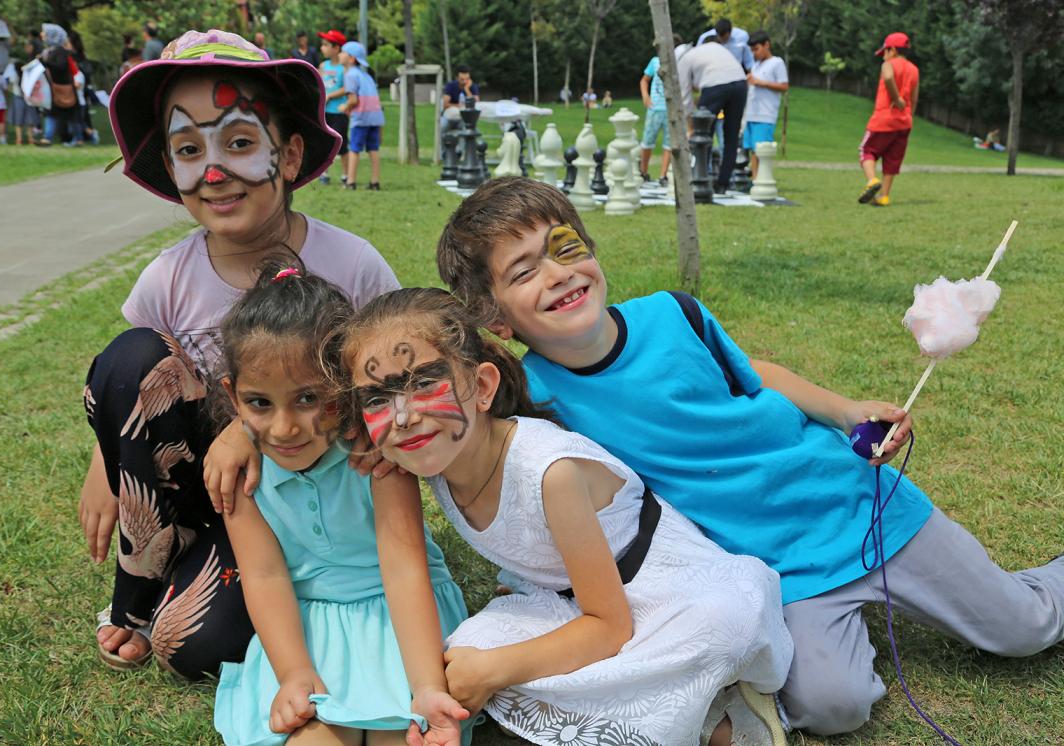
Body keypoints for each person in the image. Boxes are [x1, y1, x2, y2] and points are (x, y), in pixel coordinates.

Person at [436, 176, 1064, 738]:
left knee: (1025, 629)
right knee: (832, 706)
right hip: (771, 567)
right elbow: (510, 467)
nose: (557, 274)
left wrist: (843, 409)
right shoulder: (535, 397)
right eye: (523, 271)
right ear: (495, 315)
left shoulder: (675, 314)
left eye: (565, 247)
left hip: (857, 506)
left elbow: (752, 376)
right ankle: (850, 624)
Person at [79, 29, 400, 679]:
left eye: (241, 142)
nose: (216, 171)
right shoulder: (168, 277)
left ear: (289, 154)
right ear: (171, 170)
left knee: (197, 646)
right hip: (214, 499)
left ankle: (283, 581)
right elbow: (128, 388)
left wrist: (249, 435)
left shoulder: (353, 265)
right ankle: (139, 593)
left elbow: (391, 385)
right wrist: (105, 466)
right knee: (129, 352)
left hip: (310, 498)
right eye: (190, 149)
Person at [341, 286, 792, 746]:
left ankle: (721, 720)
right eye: (377, 399)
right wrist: (430, 691)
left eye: (423, 384)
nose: (401, 416)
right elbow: (403, 572)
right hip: (564, 598)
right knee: (464, 656)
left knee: (711, 629)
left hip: (662, 595)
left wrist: (499, 669)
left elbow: (610, 626)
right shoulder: (423, 451)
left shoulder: (548, 472)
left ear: (480, 387)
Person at [212, 264, 470, 746]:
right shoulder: (239, 475)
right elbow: (265, 578)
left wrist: (426, 684)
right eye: (260, 402)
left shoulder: (373, 457)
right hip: (304, 631)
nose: (285, 427)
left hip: (402, 623)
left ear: (345, 389)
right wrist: (293, 673)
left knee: (404, 733)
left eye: (309, 398)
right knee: (312, 737)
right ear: (233, 396)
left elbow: (404, 568)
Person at [677, 35, 747, 193]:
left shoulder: (685, 59)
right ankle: (723, 183)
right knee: (731, 136)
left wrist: (691, 127)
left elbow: (684, 97)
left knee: (703, 133)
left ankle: (700, 176)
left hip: (715, 86)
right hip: (741, 84)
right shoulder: (720, 51)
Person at [857, 32, 919, 207]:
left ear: (892, 50)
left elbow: (889, 76)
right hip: (904, 122)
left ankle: (872, 181)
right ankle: (884, 196)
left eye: (885, 51)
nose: (883, 56)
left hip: (884, 118)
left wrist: (896, 98)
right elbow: (914, 99)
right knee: (892, 159)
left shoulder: (888, 64)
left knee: (867, 150)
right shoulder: (914, 69)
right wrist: (909, 116)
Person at [743, 30, 788, 179]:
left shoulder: (777, 63)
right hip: (751, 113)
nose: (754, 53)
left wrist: (761, 83)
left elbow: (784, 86)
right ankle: (755, 179)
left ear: (766, 45)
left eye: (756, 49)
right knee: (752, 150)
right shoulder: (756, 65)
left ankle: (763, 179)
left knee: (761, 149)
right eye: (752, 50)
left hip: (765, 114)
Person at [339, 40, 384, 191]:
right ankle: (375, 182)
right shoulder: (366, 75)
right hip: (375, 116)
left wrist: (344, 107)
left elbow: (353, 100)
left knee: (354, 149)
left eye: (343, 52)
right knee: (373, 149)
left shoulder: (351, 75)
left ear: (351, 58)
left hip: (361, 118)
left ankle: (350, 182)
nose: (340, 54)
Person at [639, 36, 680, 186]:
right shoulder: (655, 61)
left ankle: (663, 175)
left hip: (671, 109)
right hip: (655, 107)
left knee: (669, 144)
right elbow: (644, 79)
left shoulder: (678, 63)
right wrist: (645, 96)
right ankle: (643, 171)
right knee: (647, 141)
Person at [36, 24, 83, 147]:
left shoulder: (60, 51)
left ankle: (78, 139)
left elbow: (61, 67)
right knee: (51, 113)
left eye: (44, 33)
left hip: (64, 88)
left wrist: (46, 63)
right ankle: (47, 137)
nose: (42, 35)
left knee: (71, 116)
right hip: (54, 88)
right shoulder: (48, 51)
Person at [317, 29, 349, 185]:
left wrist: (331, 95)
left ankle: (346, 175)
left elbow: (347, 88)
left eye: (325, 45)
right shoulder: (323, 65)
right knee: (325, 143)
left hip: (339, 112)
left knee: (342, 145)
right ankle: (324, 174)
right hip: (325, 112)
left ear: (336, 48)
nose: (322, 48)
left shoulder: (344, 68)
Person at [4, 46, 40, 145]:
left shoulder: (13, 71)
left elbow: (9, 82)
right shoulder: (27, 71)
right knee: (30, 119)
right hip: (28, 98)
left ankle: (19, 139)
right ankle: (31, 138)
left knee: (18, 120)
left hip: (18, 97)